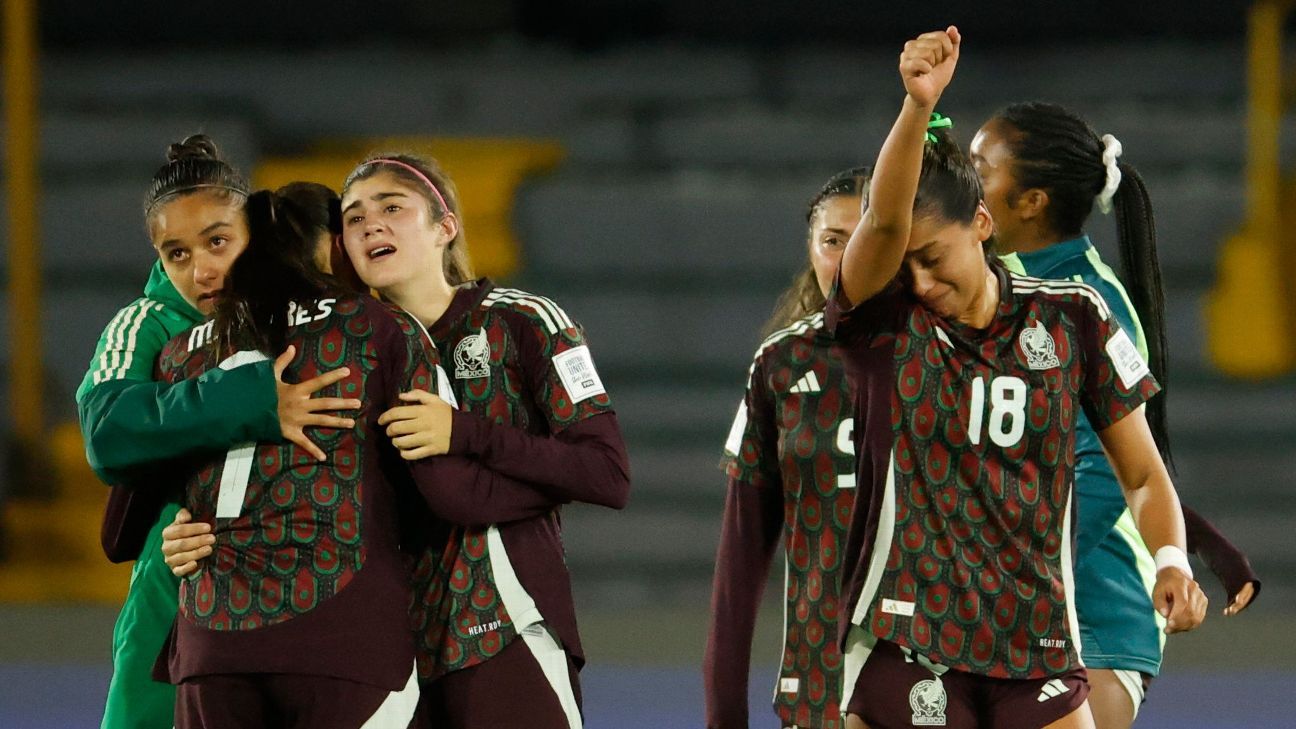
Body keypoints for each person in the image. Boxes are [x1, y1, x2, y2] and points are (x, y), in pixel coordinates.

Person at [165, 152, 631, 728]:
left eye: (392, 207)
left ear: (445, 226)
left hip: (501, 628)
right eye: (354, 218)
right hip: (384, 650)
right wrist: (189, 527)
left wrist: (464, 432)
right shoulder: (346, 346)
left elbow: (607, 472)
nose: (371, 225)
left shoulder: (524, 321)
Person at [828, 28, 1207, 728]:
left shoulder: (1079, 313)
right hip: (920, 627)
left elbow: (1135, 472)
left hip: (1062, 619)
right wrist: (916, 109)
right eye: (902, 263)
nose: (918, 280)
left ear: (985, 220)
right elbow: (882, 222)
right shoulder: (891, 318)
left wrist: (1172, 560)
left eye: (933, 256)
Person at [970, 102, 1261, 728]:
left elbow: (1106, 468)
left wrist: (1015, 579)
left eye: (981, 168)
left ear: (1032, 201)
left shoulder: (1090, 302)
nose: (968, 185)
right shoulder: (993, 286)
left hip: (1092, 604)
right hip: (1003, 593)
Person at [77, 137, 359, 729]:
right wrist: (252, 398)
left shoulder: (312, 316)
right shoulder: (146, 323)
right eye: (175, 254)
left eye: (217, 241)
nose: (201, 269)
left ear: (255, 231)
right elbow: (106, 429)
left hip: (311, 597)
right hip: (176, 599)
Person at [705, 167, 870, 729]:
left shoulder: (955, 356)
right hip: (819, 684)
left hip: (944, 678)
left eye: (868, 235)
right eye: (832, 240)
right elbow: (739, 563)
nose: (848, 258)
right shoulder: (782, 365)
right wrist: (723, 709)